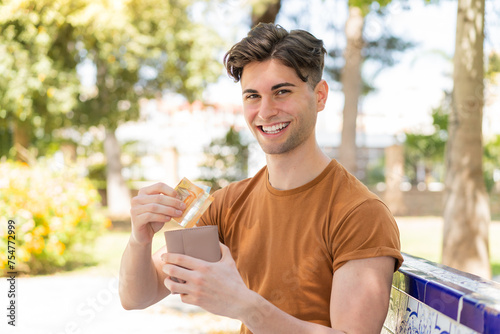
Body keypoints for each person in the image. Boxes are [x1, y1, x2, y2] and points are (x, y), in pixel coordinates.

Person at [119, 23, 403, 334]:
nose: (265, 111)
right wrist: (139, 239)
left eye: (282, 92)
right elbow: (138, 296)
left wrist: (245, 305)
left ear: (319, 96)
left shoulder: (360, 213)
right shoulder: (229, 203)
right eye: (252, 96)